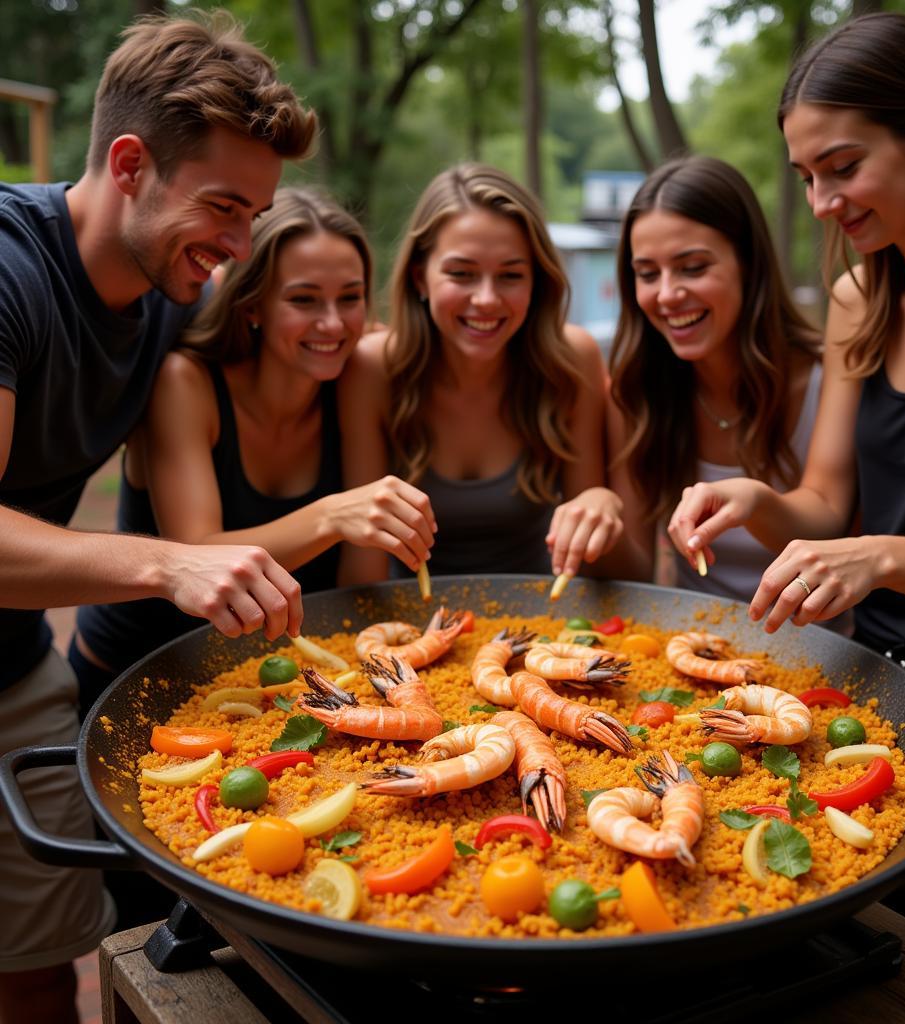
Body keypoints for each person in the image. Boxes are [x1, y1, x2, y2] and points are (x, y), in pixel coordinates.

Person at [673, 12, 905, 1003]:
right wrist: (758, 499)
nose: (824, 202)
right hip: (880, 691)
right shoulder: (856, 297)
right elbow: (826, 505)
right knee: (878, 974)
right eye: (807, 179)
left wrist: (876, 554)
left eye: (842, 168)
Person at [0, 13, 317, 1022]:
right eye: (224, 205)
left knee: (44, 962)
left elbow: (319, 329)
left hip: (13, 672)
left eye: (254, 214)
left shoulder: (173, 287)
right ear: (129, 163)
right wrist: (168, 563)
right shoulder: (10, 273)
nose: (237, 244)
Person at [71, 187, 434, 708]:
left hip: (281, 678)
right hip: (142, 672)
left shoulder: (355, 375)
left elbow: (362, 579)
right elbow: (195, 552)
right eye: (304, 299)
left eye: (350, 297)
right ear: (252, 304)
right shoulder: (187, 384)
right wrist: (332, 515)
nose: (333, 324)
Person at [338, 163, 622, 585]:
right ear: (421, 277)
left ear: (537, 282)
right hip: (410, 628)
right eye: (461, 273)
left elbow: (593, 564)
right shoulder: (371, 368)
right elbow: (362, 571)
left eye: (510, 275)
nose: (486, 299)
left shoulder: (572, 358)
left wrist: (602, 504)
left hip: (543, 623)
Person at [605, 155, 838, 621]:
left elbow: (836, 535)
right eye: (648, 274)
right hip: (692, 646)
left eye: (692, 267)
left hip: (820, 657)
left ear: (748, 264)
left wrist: (755, 503)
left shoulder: (830, 380)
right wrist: (599, 517)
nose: (667, 294)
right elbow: (635, 573)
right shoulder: (634, 388)